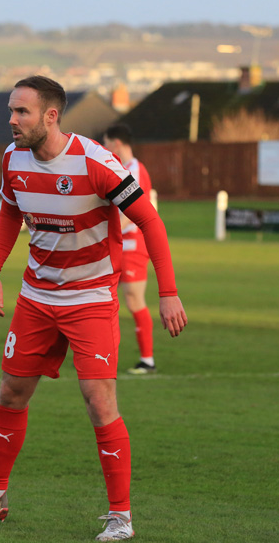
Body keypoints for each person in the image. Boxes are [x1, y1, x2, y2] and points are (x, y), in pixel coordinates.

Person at [0, 76, 187, 542]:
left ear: (51, 116)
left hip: (90, 298)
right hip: (37, 297)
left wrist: (168, 291)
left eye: (22, 112)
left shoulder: (96, 162)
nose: (12, 120)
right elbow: (10, 214)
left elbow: (150, 222)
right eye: (11, 111)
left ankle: (120, 517)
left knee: (99, 401)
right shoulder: (13, 158)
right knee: (11, 393)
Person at [101, 123, 157, 375]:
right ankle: (99, 355)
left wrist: (108, 232)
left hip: (132, 244)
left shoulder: (135, 170)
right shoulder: (120, 168)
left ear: (116, 143)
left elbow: (134, 212)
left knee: (134, 299)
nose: (104, 147)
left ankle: (147, 360)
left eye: (106, 142)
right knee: (102, 299)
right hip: (117, 244)